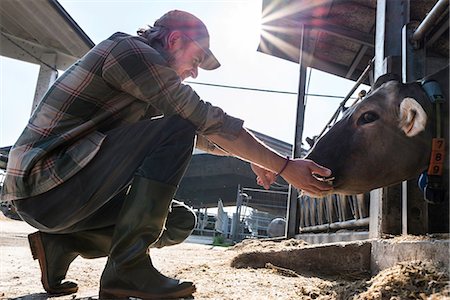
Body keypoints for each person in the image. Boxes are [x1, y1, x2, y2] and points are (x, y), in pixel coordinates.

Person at [1, 10, 332, 299]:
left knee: (178, 221)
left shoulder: (144, 90)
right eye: (197, 59)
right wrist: (285, 164)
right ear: (174, 40)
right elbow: (200, 119)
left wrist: (254, 158)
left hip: (65, 192)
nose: (195, 72)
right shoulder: (129, 52)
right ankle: (127, 268)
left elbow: (204, 137)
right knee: (180, 126)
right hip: (44, 183)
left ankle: (61, 245)